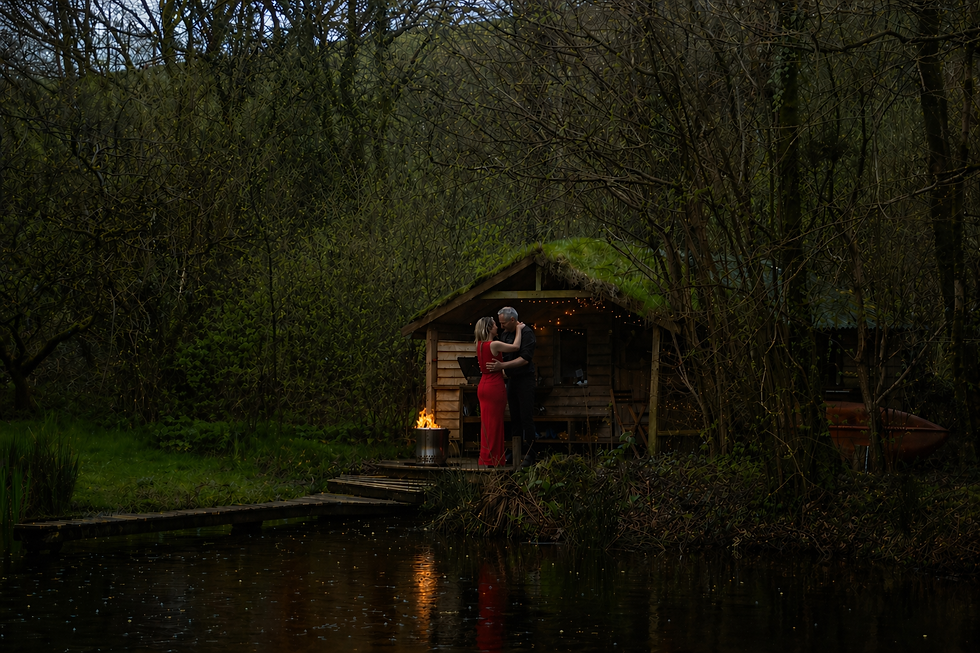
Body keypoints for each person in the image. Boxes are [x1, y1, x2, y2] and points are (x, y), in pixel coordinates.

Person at [485, 306, 537, 467]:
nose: (501, 327)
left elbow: (524, 359)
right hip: (512, 380)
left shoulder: (527, 333)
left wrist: (502, 365)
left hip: (525, 379)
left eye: (504, 323)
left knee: (526, 416)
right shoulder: (506, 334)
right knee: (514, 417)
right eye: (499, 323)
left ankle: (531, 452)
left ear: (513, 320)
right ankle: (515, 451)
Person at [474, 316, 523, 467]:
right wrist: (519, 330)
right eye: (495, 325)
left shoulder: (480, 345)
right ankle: (493, 458)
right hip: (494, 387)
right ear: (489, 328)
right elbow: (516, 347)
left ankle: (486, 456)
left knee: (486, 424)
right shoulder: (493, 344)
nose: (497, 327)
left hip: (483, 385)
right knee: (495, 423)